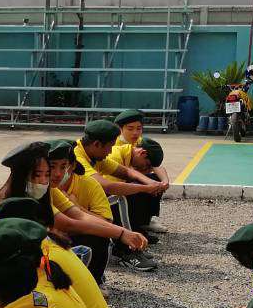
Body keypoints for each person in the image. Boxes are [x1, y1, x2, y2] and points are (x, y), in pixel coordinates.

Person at [43, 139, 148, 283]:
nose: (58, 173)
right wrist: (121, 233)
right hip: (34, 251)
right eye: (51, 167)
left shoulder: (53, 188)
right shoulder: (39, 189)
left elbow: (79, 215)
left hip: (56, 240)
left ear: (72, 166)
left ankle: (94, 280)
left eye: (63, 167)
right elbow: (68, 224)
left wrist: (124, 233)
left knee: (100, 235)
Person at [74, 119, 164, 270]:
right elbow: (108, 186)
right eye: (110, 147)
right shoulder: (78, 157)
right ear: (97, 144)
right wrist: (145, 188)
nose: (110, 151)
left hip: (82, 201)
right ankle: (127, 251)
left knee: (132, 188)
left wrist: (151, 183)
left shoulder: (92, 154)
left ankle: (133, 235)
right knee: (118, 199)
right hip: (73, 205)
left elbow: (126, 172)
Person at [111, 111, 170, 234]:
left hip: (128, 178)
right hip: (117, 181)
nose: (135, 133)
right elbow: (123, 173)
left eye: (139, 128)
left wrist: (164, 182)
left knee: (155, 179)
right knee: (141, 184)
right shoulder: (113, 145)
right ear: (120, 129)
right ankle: (130, 224)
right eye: (130, 129)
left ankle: (145, 220)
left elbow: (155, 164)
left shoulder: (140, 142)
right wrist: (146, 183)